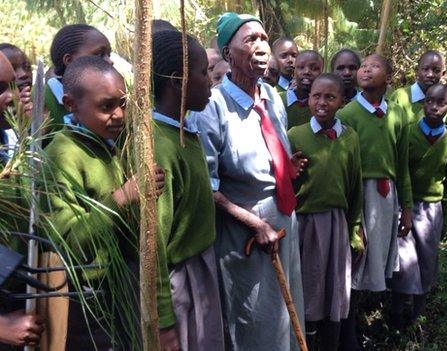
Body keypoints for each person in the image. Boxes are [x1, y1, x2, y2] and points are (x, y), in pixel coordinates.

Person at [191, 12, 306, 351]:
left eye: (263, 38)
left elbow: (272, 153)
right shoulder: (211, 107)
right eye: (250, 40)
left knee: (288, 314)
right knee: (256, 322)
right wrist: (256, 223)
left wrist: (287, 167)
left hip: (284, 221)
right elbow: (208, 187)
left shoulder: (272, 99)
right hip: (244, 235)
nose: (261, 46)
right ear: (228, 54)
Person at [44, 56, 164, 349]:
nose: (119, 114)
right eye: (106, 106)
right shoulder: (62, 155)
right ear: (71, 104)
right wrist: (123, 197)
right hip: (88, 299)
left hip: (121, 286)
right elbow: (66, 241)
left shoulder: (107, 144)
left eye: (122, 103)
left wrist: (144, 195)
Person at [151, 29, 225, 351]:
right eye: (204, 72)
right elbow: (153, 244)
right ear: (178, 81)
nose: (210, 80)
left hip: (199, 268)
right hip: (180, 282)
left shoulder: (183, 131)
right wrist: (164, 322)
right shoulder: (160, 146)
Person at [336, 53, 413, 350]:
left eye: (375, 66)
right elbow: (343, 167)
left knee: (375, 261)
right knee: (355, 259)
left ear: (389, 78)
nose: (366, 69)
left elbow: (402, 163)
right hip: (359, 195)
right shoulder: (347, 115)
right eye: (363, 66)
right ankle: (346, 331)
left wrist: (407, 207)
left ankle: (361, 321)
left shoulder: (398, 115)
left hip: (386, 197)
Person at [287, 73, 363, 351]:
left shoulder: (350, 138)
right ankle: (303, 340)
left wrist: (354, 229)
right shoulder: (295, 135)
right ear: (307, 100)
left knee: (335, 288)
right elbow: (286, 182)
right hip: (305, 224)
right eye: (316, 96)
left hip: (336, 224)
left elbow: (355, 185)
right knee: (307, 287)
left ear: (342, 102)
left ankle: (331, 342)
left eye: (330, 97)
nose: (322, 102)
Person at [388, 83, 447, 329]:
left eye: (441, 103)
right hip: (405, 206)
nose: (434, 107)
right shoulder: (408, 133)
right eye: (430, 101)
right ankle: (396, 315)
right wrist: (402, 204)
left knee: (427, 262)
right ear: (423, 102)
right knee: (404, 262)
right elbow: (400, 170)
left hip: (432, 210)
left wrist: (446, 219)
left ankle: (417, 318)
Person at [0, 50, 44, 351]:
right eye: (0, 89)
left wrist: (29, 132)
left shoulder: (7, 142)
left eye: (12, 85)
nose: (12, 96)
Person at [46, 24, 112, 134]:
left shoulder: (112, 94)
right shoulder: (43, 100)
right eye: (100, 54)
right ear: (69, 60)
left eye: (108, 55)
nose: (109, 62)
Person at [389, 50, 446, 123]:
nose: (430, 74)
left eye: (436, 71)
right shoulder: (400, 97)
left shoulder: (443, 103)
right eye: (425, 69)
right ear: (417, 70)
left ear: (443, 74)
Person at [279, 50, 323, 129]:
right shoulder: (278, 100)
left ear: (322, 73)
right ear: (294, 71)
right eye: (301, 67)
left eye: (314, 68)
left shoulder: (323, 104)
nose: (306, 72)